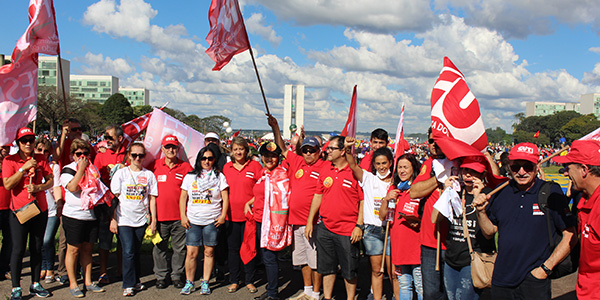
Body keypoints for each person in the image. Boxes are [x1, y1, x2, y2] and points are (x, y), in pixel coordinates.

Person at [473, 143, 577, 299]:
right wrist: (481, 212)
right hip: (502, 279)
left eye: (527, 166)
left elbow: (570, 234)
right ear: (509, 167)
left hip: (534, 281)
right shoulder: (501, 191)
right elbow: (489, 232)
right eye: (516, 167)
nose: (521, 172)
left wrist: (545, 269)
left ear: (537, 166)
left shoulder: (550, 191)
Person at [267, 115, 326, 300]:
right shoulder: (298, 161)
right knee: (302, 260)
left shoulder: (325, 166)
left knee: (315, 260)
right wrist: (276, 127)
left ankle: (316, 293)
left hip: (314, 223)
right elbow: (282, 148)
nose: (308, 153)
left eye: (312, 150)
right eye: (306, 150)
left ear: (319, 151)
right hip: (296, 222)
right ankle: (307, 291)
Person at [305, 135, 364, 300]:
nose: (327, 151)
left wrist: (359, 225)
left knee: (349, 270)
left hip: (348, 230)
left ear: (342, 151)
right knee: (327, 268)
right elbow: (318, 196)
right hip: (325, 227)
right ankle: (328, 297)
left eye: (332, 149)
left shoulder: (354, 172)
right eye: (328, 148)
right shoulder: (325, 169)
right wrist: (310, 221)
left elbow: (362, 201)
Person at [3, 127, 54, 300]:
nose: (27, 144)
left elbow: (51, 180)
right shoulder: (10, 160)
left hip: (39, 209)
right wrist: (22, 169)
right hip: (19, 211)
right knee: (18, 249)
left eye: (30, 140)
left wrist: (39, 187)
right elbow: (8, 184)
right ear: (18, 143)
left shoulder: (40, 158)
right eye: (24, 141)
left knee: (36, 247)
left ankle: (35, 284)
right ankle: (16, 288)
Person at [344, 137, 393, 300]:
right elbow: (352, 165)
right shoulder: (368, 178)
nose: (381, 167)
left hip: (391, 230)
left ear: (390, 163)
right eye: (378, 164)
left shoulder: (395, 182)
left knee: (393, 271)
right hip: (372, 230)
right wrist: (348, 149)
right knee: (377, 270)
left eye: (384, 163)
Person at [440, 157, 495, 300]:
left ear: (483, 174)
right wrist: (445, 193)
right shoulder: (456, 192)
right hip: (452, 258)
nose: (468, 175)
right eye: (465, 170)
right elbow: (435, 218)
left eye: (474, 171)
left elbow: (489, 233)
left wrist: (479, 204)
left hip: (474, 259)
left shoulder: (490, 195)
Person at [552, 140, 600, 299]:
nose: (566, 173)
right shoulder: (586, 200)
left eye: (569, 167)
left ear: (584, 170)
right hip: (586, 289)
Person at [179, 146, 229, 295]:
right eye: (204, 158)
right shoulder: (190, 177)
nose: (207, 161)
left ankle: (205, 282)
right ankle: (189, 282)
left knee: (209, 252)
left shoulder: (219, 176)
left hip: (211, 220)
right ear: (199, 159)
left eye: (210, 158)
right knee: (191, 253)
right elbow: (183, 197)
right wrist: (183, 215)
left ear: (214, 160)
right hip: (193, 220)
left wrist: (222, 216)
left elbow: (225, 198)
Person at [244, 141, 291, 300]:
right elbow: (261, 193)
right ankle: (271, 290)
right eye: (266, 156)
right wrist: (249, 202)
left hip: (272, 221)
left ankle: (272, 294)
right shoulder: (264, 173)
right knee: (266, 256)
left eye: (273, 156)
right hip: (258, 220)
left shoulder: (282, 173)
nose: (269, 159)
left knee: (270, 257)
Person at [110, 143, 158, 297]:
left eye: (141, 155)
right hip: (124, 218)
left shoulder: (149, 175)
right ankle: (128, 284)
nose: (137, 158)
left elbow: (152, 199)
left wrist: (153, 219)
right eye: (134, 155)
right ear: (129, 156)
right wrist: (113, 219)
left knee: (135, 251)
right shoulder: (121, 174)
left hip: (141, 219)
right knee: (128, 251)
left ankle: (136, 281)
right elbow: (114, 199)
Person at [60, 139, 105, 297]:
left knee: (87, 249)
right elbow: (72, 187)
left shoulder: (94, 170)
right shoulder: (68, 169)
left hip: (90, 215)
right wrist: (81, 169)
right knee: (73, 250)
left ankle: (87, 281)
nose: (83, 157)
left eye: (86, 153)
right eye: (79, 154)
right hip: (73, 215)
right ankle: (73, 283)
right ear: (73, 155)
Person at [410, 128, 448, 300]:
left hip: (453, 241)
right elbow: (414, 192)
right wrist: (438, 178)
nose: (434, 144)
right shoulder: (427, 164)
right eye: (431, 141)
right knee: (431, 294)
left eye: (438, 140)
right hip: (430, 239)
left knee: (451, 293)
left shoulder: (458, 163)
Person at [151, 135, 193, 289]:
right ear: (162, 148)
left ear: (178, 149)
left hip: (180, 217)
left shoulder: (186, 168)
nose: (170, 150)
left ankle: (176, 276)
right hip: (160, 216)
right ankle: (161, 276)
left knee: (179, 249)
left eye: (173, 147)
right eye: (167, 147)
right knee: (159, 249)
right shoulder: (154, 166)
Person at [380, 153, 423, 300]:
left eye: (406, 167)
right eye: (399, 167)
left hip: (416, 248)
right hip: (399, 247)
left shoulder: (419, 190)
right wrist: (386, 199)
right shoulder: (394, 189)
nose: (402, 171)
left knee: (420, 286)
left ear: (413, 169)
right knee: (404, 285)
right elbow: (382, 216)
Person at [222, 136, 261, 293]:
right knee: (233, 250)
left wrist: (250, 202)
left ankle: (249, 280)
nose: (238, 152)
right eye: (235, 149)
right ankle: (234, 280)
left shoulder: (256, 166)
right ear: (231, 151)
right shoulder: (226, 168)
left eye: (241, 149)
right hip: (231, 216)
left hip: (249, 216)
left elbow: (262, 189)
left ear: (247, 150)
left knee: (250, 248)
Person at [94, 124, 127, 283]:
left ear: (120, 139)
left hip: (125, 203)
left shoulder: (129, 154)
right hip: (106, 203)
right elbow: (95, 179)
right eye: (104, 137)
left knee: (123, 239)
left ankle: (122, 270)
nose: (106, 140)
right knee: (105, 239)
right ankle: (103, 272)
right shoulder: (101, 155)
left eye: (110, 138)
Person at [34, 138, 62, 284]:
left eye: (46, 151)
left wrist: (58, 203)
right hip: (34, 209)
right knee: (38, 241)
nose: (43, 153)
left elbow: (56, 186)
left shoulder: (53, 167)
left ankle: (49, 267)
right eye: (39, 150)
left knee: (47, 240)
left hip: (50, 209)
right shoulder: (30, 166)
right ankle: (43, 267)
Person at [0, 144, 12, 281]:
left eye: (7, 147)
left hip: (9, 206)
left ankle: (4, 268)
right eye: (3, 147)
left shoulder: (10, 161)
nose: (5, 150)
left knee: (9, 240)